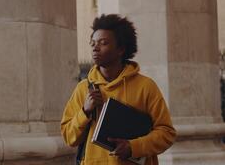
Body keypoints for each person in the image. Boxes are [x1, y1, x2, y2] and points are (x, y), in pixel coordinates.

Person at [61, 14, 176, 165]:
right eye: (93, 43)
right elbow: (69, 138)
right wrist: (85, 111)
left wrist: (133, 147)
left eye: (103, 43)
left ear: (121, 49)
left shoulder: (146, 87)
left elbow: (167, 134)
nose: (95, 47)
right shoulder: (83, 89)